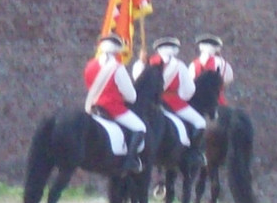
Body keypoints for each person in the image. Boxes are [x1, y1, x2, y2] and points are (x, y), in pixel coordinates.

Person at [133, 37, 206, 166]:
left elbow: (137, 79)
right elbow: (188, 90)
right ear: (175, 50)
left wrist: (140, 62)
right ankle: (193, 153)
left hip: (151, 103)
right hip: (174, 102)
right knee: (200, 122)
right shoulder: (180, 66)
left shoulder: (147, 63)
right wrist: (181, 97)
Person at [84, 33, 146, 174]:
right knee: (140, 127)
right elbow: (131, 96)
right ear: (117, 49)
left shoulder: (89, 65)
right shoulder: (117, 67)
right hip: (112, 108)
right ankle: (130, 162)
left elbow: (89, 86)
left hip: (93, 106)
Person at [189, 33, 234, 106]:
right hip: (218, 101)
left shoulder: (193, 64)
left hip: (199, 102)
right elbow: (228, 79)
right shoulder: (223, 63)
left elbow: (190, 83)